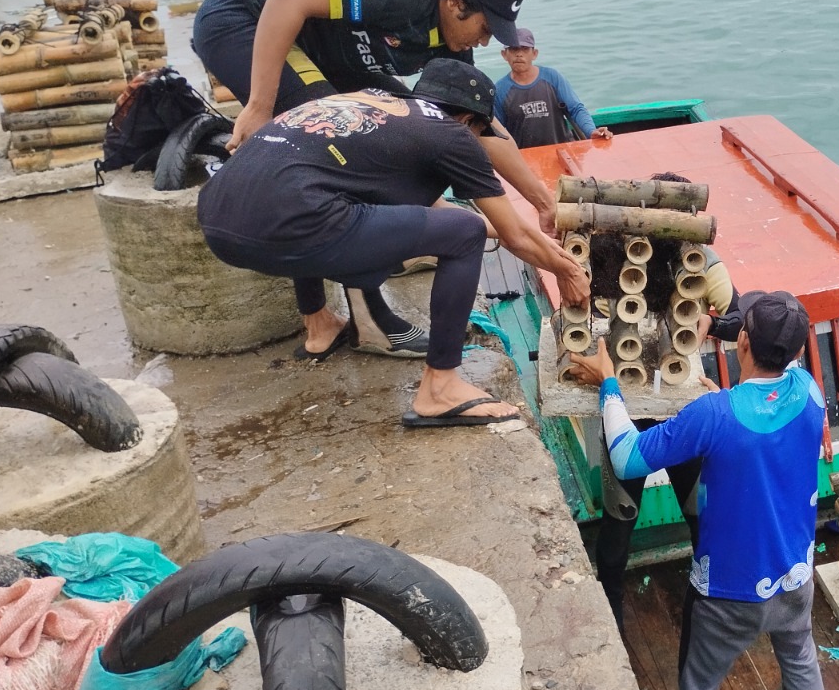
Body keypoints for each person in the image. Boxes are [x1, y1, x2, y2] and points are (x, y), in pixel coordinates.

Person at [193, 0, 568, 357]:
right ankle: (370, 322)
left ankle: (322, 323)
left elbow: (479, 127)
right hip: (244, 20)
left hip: (325, 46)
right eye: (484, 29)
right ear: (457, 2)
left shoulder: (453, 45)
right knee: (338, 133)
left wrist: (541, 201)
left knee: (408, 119)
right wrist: (260, 105)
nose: (483, 43)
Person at [568, 291, 835, 690]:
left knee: (698, 686)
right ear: (796, 351)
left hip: (726, 593)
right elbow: (761, 409)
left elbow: (626, 455)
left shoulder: (713, 416)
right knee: (800, 659)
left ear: (742, 341)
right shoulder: (809, 392)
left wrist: (610, 384)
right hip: (794, 576)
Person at [198, 60, 589, 425]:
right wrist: (568, 271)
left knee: (323, 192)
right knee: (463, 235)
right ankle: (440, 388)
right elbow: (514, 236)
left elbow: (424, 210)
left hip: (218, 219)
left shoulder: (374, 104)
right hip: (293, 226)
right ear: (469, 120)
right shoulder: (452, 133)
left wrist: (500, 229)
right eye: (479, 133)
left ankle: (319, 326)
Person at [592, 173, 739, 631]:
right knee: (624, 525)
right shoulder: (612, 251)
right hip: (639, 405)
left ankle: (702, 608)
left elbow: (734, 315)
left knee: (692, 518)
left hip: (671, 404)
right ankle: (620, 617)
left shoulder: (696, 257)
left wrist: (706, 327)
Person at [492, 28, 612, 148]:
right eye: (513, 49)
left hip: (563, 150)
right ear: (504, 54)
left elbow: (576, 108)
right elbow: (497, 131)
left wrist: (591, 131)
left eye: (525, 49)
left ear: (534, 54)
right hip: (525, 157)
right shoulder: (501, 89)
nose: (519, 54)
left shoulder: (552, 78)